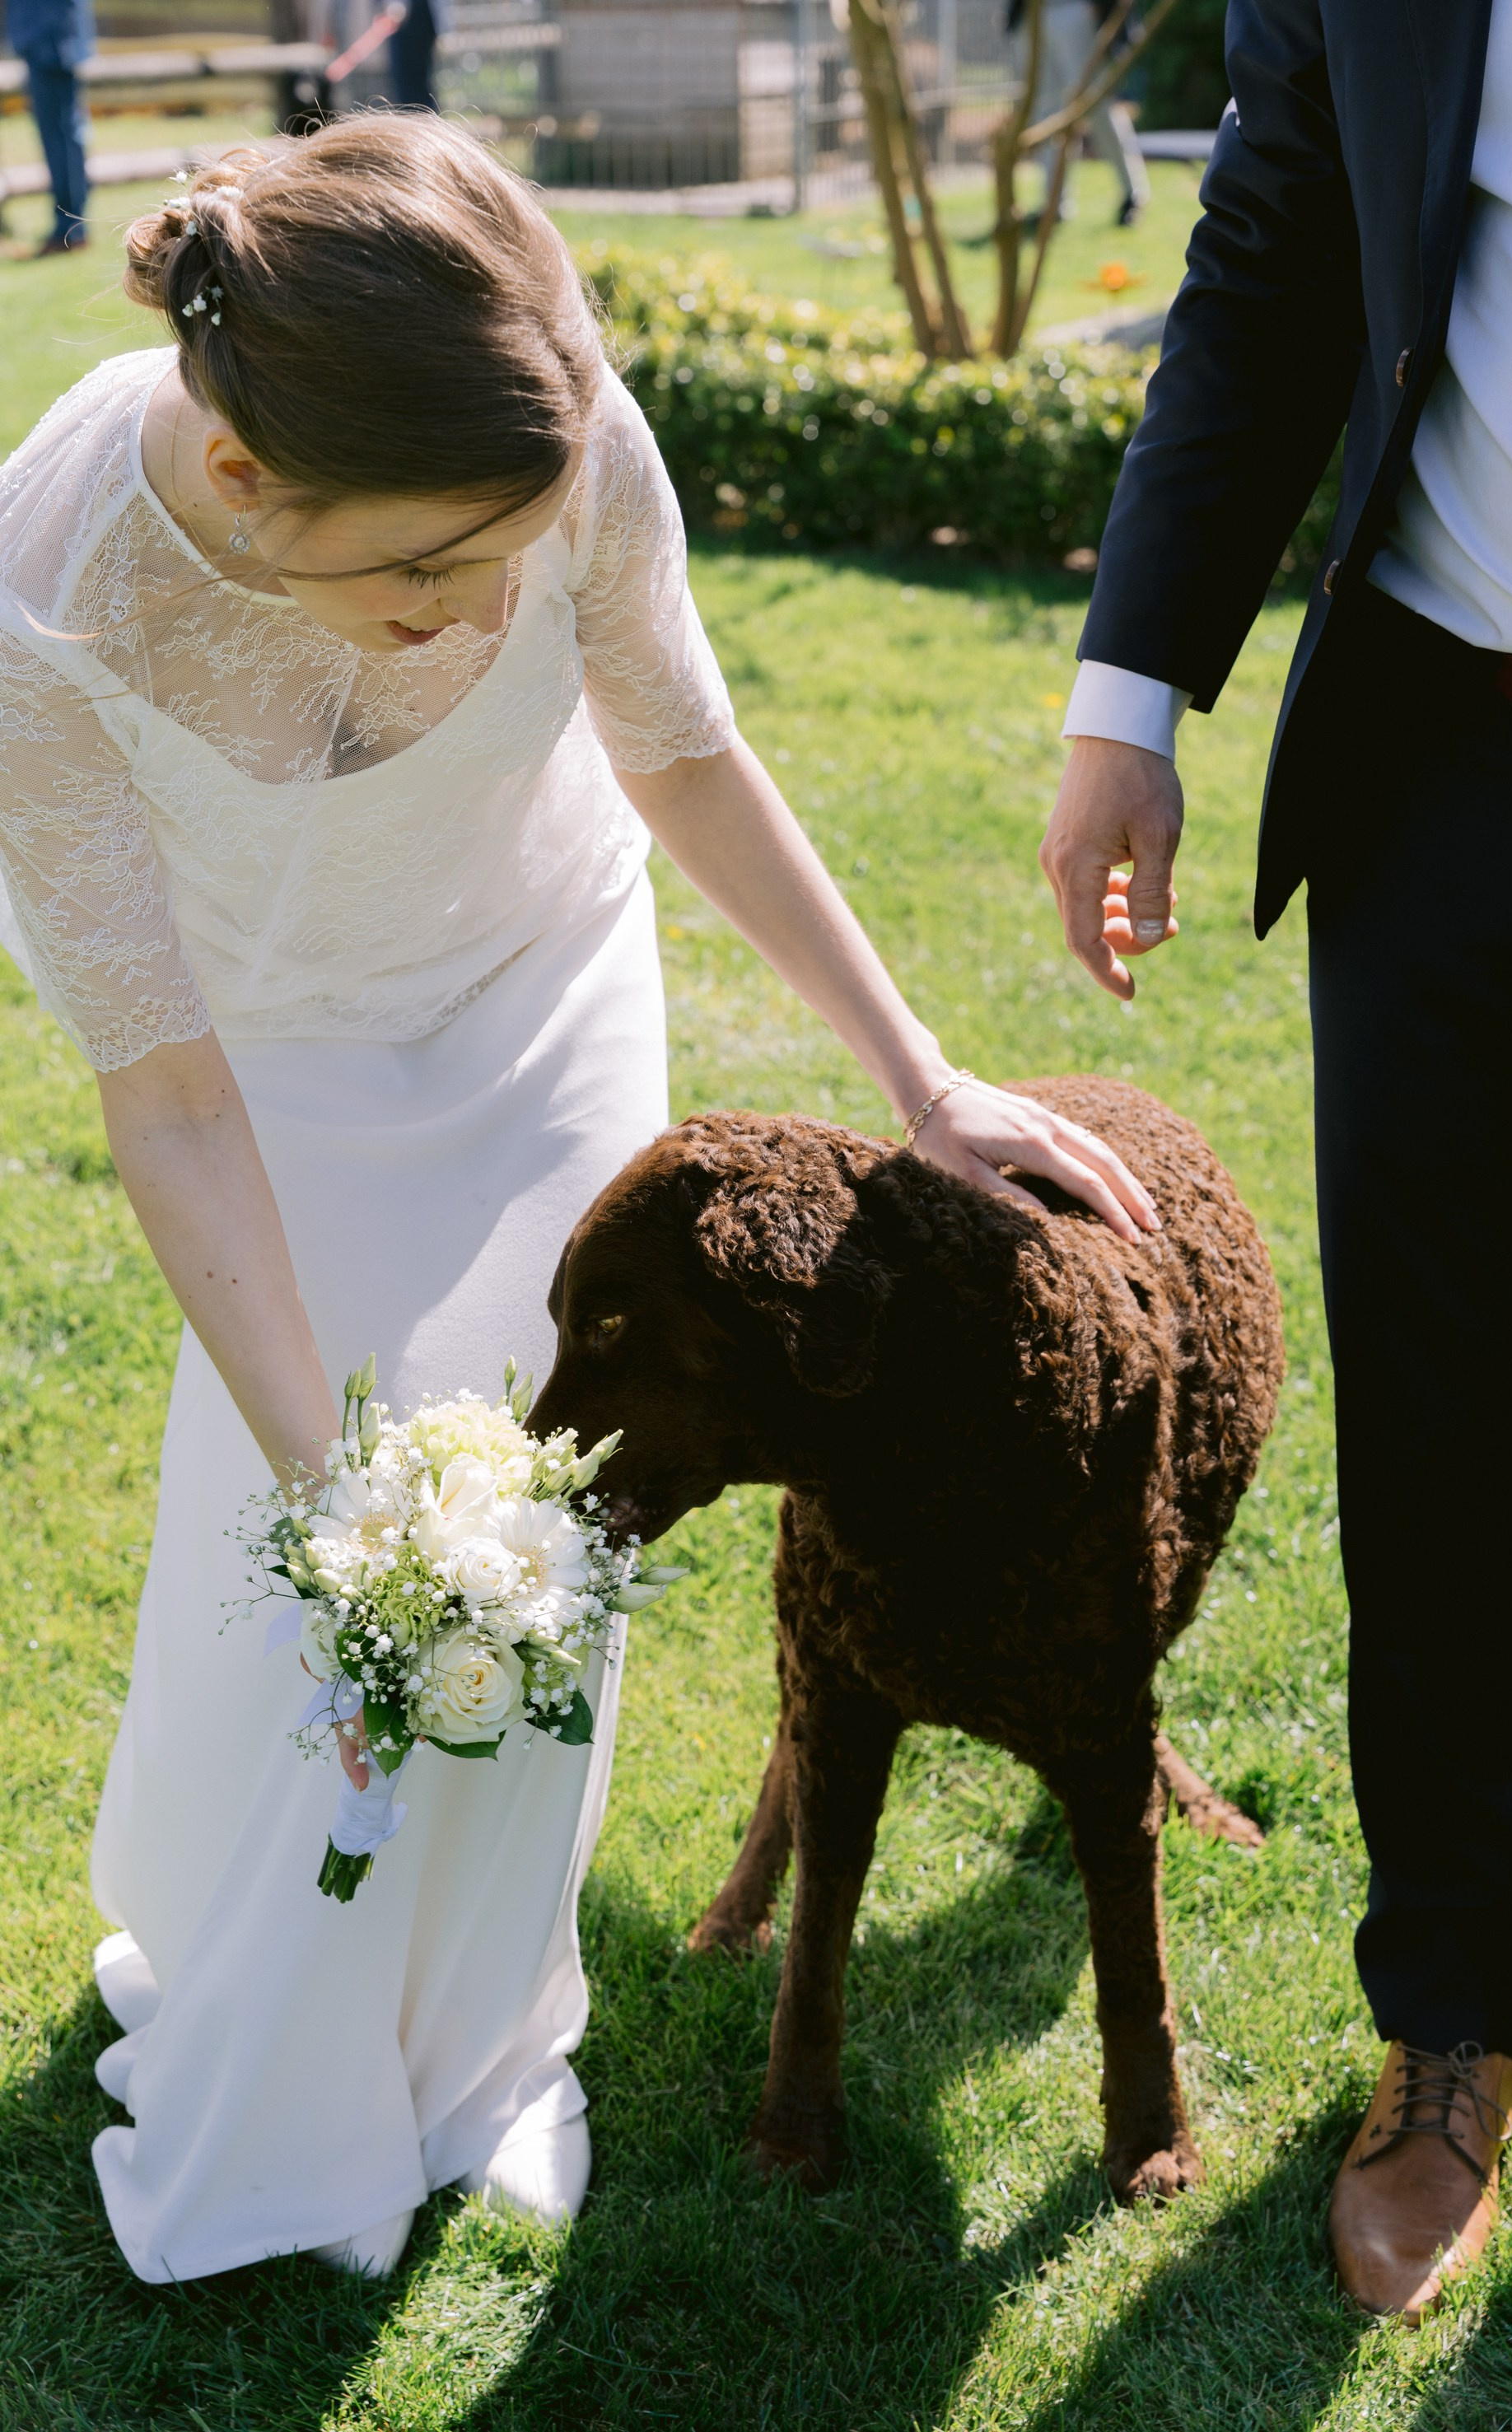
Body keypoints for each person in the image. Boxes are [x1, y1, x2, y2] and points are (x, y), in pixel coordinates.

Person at [0, 115, 1155, 2284]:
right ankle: (290, 2042)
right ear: (250, 487)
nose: (479, 628)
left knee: (540, 1556)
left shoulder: (550, 420)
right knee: (330, 1574)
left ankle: (492, 2044)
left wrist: (922, 1080)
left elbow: (681, 751)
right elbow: (157, 1099)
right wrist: (328, 1473)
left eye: (517, 560)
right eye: (428, 575)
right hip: (280, 1089)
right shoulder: (53, 601)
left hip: (543, 1004)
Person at [1041, 0, 1512, 2329]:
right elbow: (1275, 255)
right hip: (1460, 763)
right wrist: (1126, 698)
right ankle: (1450, 2030)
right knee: (1457, 1449)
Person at [1007, 0, 1151, 228]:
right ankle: (1053, 203)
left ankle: (1132, 193)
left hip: (1072, 9)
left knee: (1095, 103)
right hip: (1032, 13)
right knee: (1045, 110)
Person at [4, 0, 91, 255]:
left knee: (59, 138)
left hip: (49, 40)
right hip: (54, 38)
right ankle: (72, 225)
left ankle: (69, 227)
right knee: (67, 134)